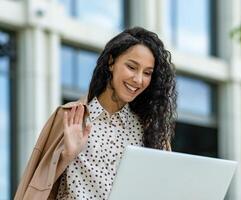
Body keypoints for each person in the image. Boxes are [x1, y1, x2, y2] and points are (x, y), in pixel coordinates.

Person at [14, 27, 177, 200]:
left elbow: (163, 189)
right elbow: (37, 188)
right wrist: (66, 156)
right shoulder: (69, 117)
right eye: (131, 67)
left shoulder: (150, 130)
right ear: (111, 62)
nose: (138, 79)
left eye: (147, 73)